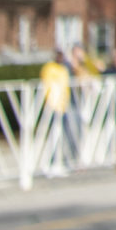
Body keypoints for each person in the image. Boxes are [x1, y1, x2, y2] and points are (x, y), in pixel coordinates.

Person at [38, 47, 80, 176]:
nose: (61, 58)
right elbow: (47, 85)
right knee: (53, 135)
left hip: (64, 106)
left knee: (67, 135)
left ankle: (67, 161)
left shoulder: (64, 69)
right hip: (53, 107)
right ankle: (51, 163)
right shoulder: (49, 68)